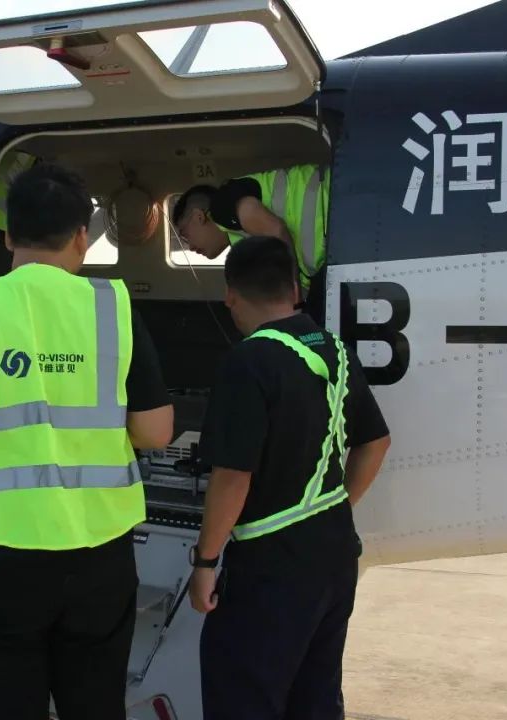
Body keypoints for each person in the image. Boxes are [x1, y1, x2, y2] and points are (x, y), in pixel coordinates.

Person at [0, 163, 174, 720]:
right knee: (95, 706)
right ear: (81, 238)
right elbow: (154, 430)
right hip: (96, 552)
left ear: (8, 238)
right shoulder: (112, 308)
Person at [188, 236, 391, 720]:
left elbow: (233, 475)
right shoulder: (334, 349)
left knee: (244, 698)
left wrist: (205, 562)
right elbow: (376, 442)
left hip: (270, 570)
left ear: (231, 295)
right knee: (316, 698)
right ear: (295, 290)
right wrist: (331, 508)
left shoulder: (248, 361)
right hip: (336, 556)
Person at [172, 163, 330, 317]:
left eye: (185, 235)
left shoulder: (222, 207)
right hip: (331, 244)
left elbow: (276, 231)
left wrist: (295, 299)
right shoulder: (242, 238)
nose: (190, 247)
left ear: (198, 217)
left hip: (334, 203)